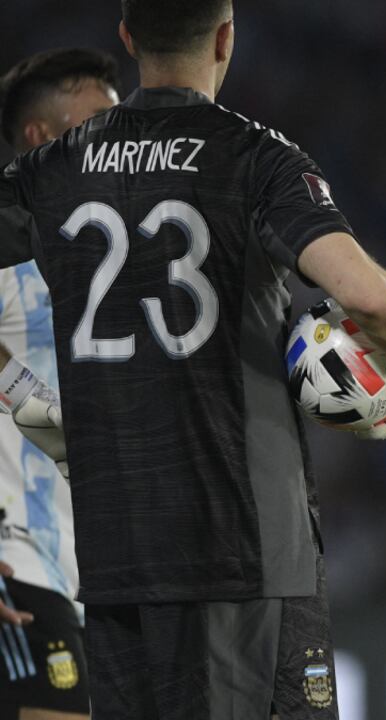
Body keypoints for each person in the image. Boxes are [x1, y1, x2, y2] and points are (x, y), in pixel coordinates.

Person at [0, 1, 386, 717]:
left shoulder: (53, 167)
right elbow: (365, 296)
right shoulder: (255, 156)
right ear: (226, 38)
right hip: (242, 544)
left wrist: (24, 393)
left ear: (128, 38)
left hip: (115, 553)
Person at [0, 46, 120, 720]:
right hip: (14, 556)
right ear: (39, 139)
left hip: (81, 568)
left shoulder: (101, 249)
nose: (118, 133)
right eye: (98, 119)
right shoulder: (6, 239)